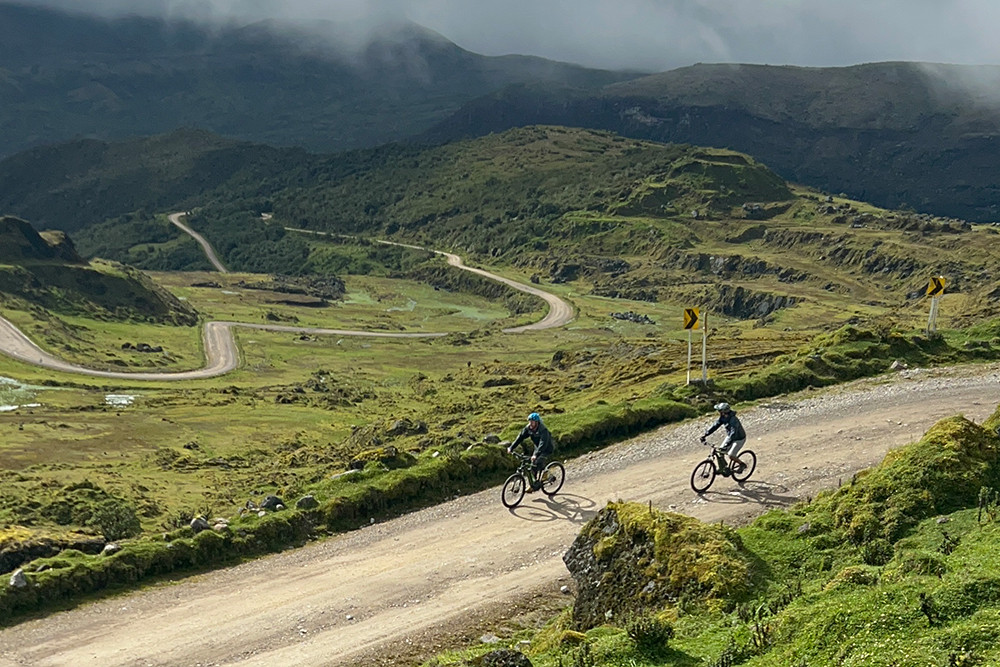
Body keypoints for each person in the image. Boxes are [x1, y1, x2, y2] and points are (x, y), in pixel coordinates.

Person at [507, 412, 555, 491]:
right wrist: (511, 447)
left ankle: (546, 474)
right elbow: (520, 437)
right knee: (533, 466)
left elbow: (543, 443)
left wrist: (535, 454)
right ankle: (533, 484)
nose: (530, 423)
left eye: (532, 422)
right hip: (537, 448)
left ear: (537, 422)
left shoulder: (543, 430)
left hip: (546, 448)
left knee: (537, 462)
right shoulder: (528, 428)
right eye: (529, 421)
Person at [700, 402, 747, 472]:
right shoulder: (723, 417)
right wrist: (705, 434)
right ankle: (723, 468)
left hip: (739, 439)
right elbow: (715, 425)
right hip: (730, 436)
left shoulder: (733, 420)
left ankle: (742, 464)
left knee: (731, 455)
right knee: (720, 452)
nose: (718, 412)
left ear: (723, 412)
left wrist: (727, 443)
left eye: (719, 411)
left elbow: (733, 433)